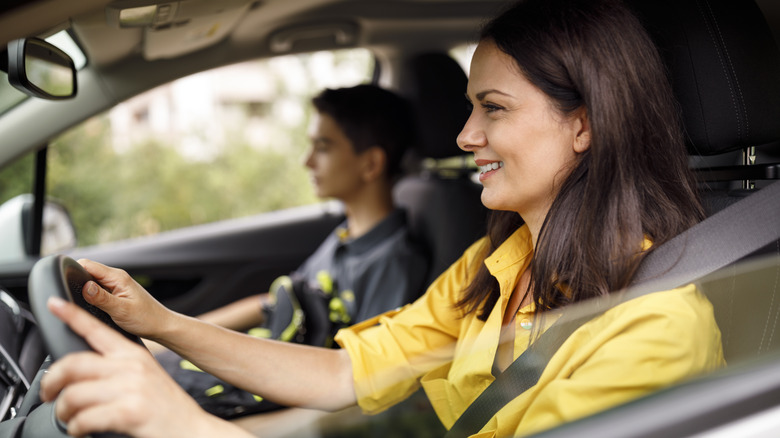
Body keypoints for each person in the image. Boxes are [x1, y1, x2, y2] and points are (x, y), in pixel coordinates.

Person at [39, 0, 725, 437]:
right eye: (468, 107)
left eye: (494, 107)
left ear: (583, 124)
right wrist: (158, 323)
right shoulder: (498, 266)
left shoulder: (657, 329)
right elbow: (342, 376)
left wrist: (184, 427)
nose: (462, 136)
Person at [155, 84, 431, 417]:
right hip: (263, 371)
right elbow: (274, 304)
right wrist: (169, 333)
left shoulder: (393, 263)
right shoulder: (344, 238)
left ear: (371, 163)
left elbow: (363, 385)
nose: (307, 161)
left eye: (323, 147)